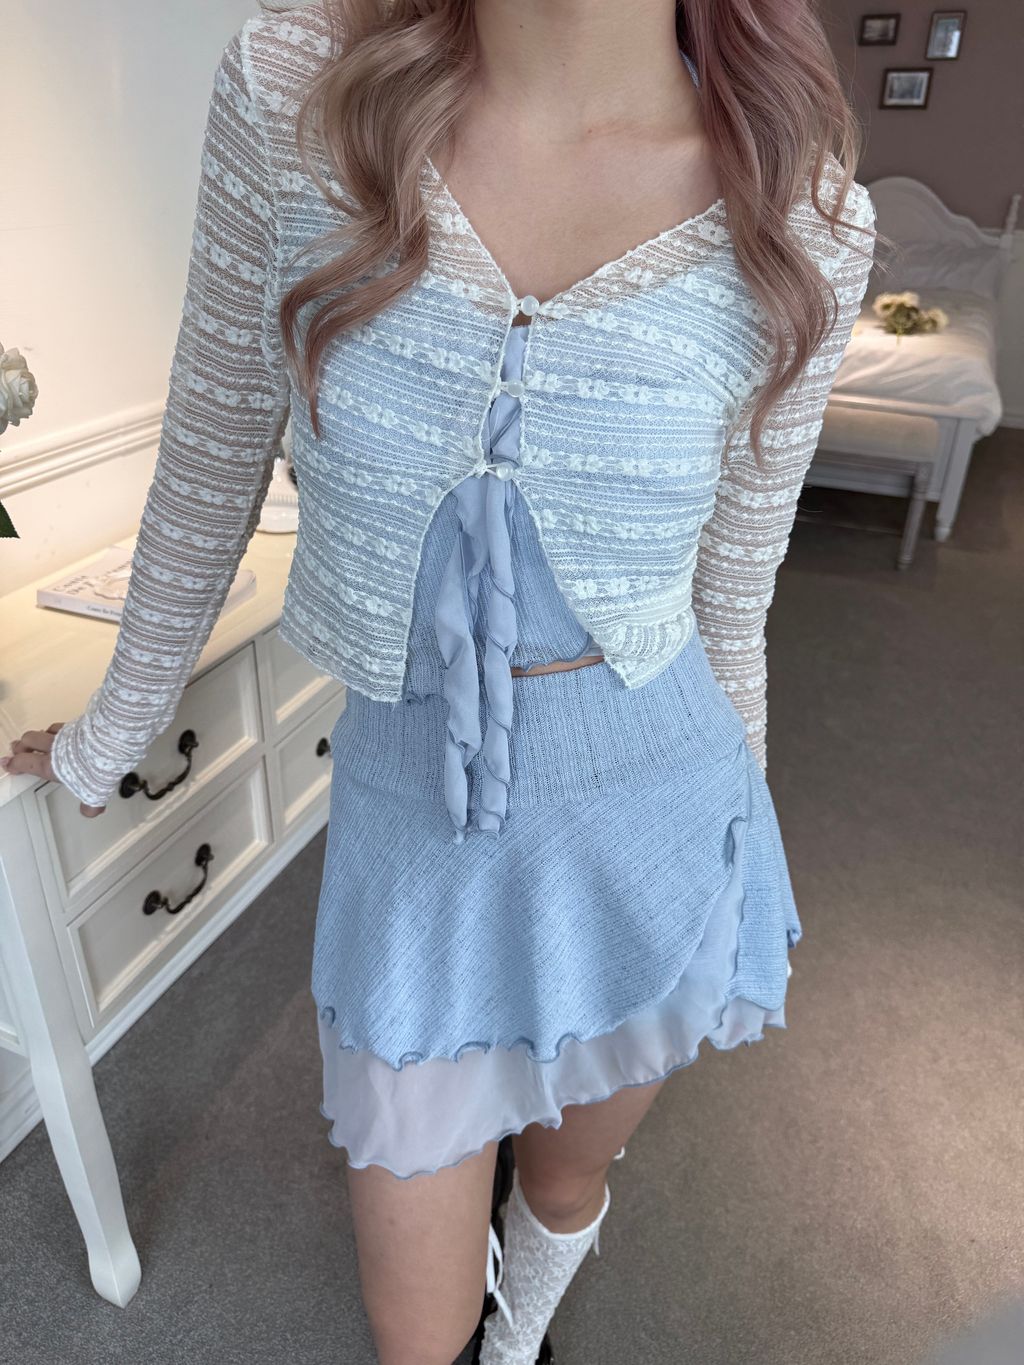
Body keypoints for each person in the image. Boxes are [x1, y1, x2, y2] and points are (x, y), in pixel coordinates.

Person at [2, 1, 875, 1361]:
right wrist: (107, 733)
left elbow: (733, 596)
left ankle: (522, 1331)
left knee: (562, 1182)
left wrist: (738, 846)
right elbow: (212, 447)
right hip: (413, 838)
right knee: (416, 1329)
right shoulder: (298, 92)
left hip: (651, 820)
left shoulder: (798, 209)